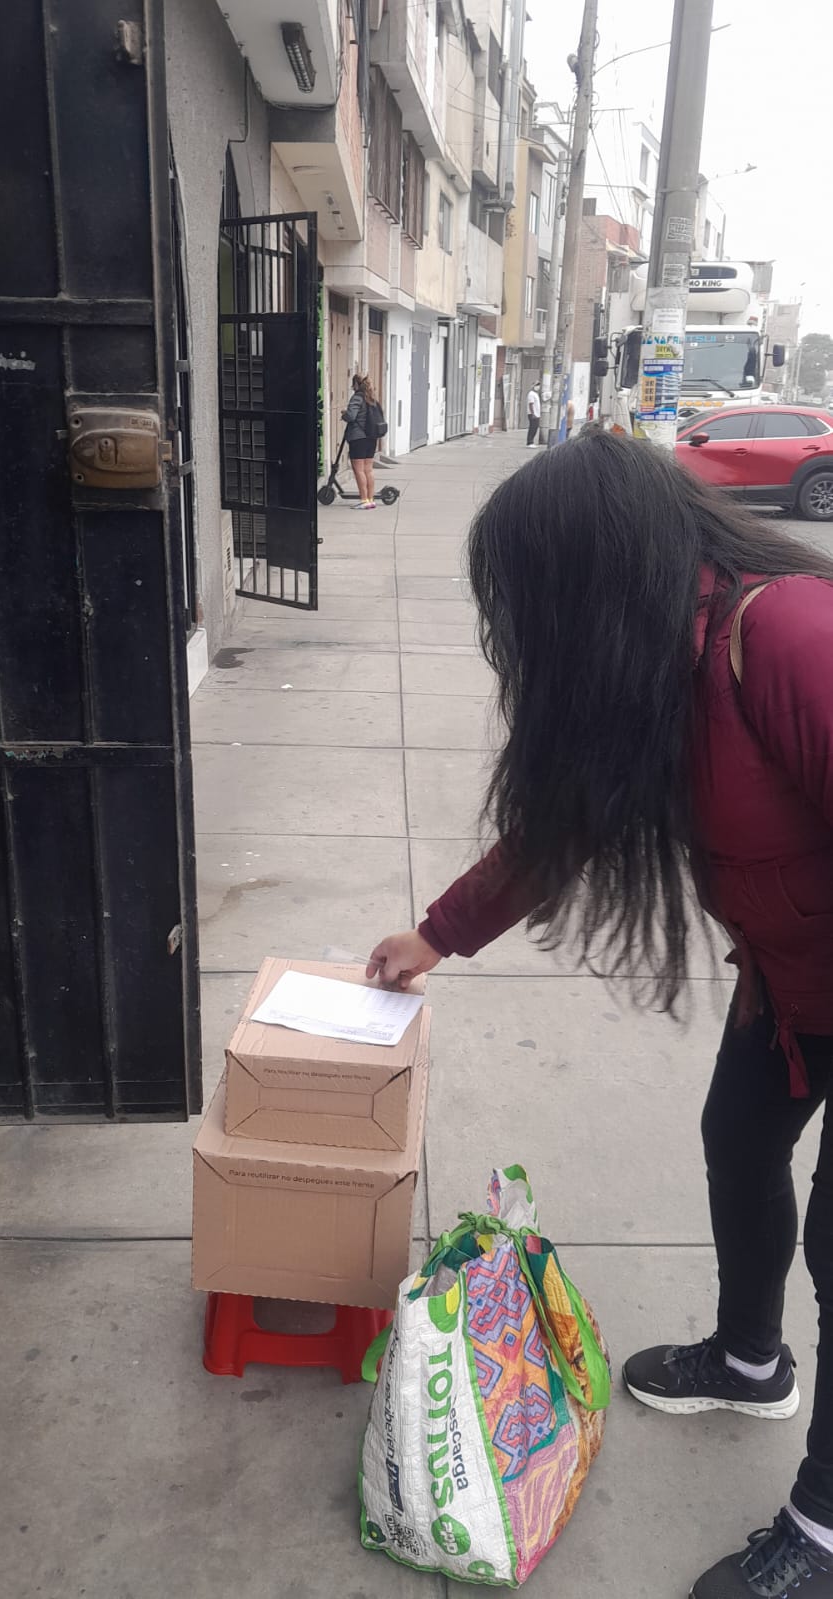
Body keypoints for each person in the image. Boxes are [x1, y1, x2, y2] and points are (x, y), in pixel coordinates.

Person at [368, 429, 833, 1599]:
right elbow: (561, 828)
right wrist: (436, 935)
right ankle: (747, 1360)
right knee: (737, 1140)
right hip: (794, 984)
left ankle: (824, 1533)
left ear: (595, 573)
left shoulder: (783, 634)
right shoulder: (658, 666)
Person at [342, 374, 378, 509]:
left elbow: (351, 416)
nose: (352, 387)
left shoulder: (357, 397)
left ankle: (364, 500)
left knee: (359, 470)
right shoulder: (371, 398)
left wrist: (344, 414)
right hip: (371, 438)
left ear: (356, 385)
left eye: (353, 384)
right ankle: (371, 499)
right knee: (368, 470)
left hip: (358, 438)